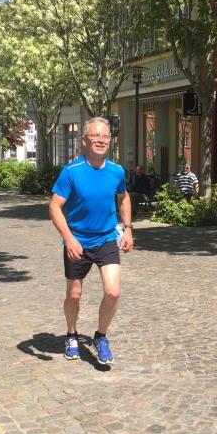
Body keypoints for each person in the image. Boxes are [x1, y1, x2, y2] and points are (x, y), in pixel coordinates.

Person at [49, 117, 133, 365]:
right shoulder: (71, 172)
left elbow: (124, 197)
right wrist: (68, 238)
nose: (101, 140)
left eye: (105, 137)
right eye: (96, 136)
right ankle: (71, 334)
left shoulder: (116, 171)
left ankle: (101, 337)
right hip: (77, 241)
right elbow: (54, 207)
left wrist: (128, 229)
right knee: (74, 295)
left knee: (113, 292)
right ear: (84, 140)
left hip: (106, 238)